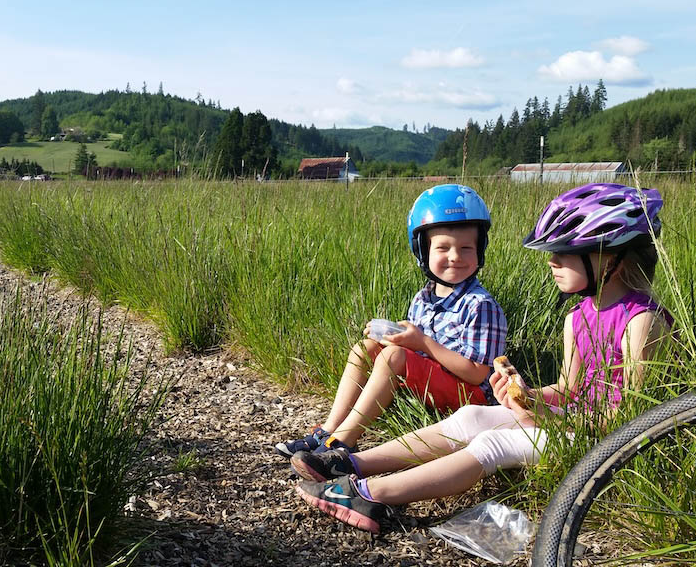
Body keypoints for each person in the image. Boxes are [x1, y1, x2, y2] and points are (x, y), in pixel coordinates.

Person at [290, 183, 671, 534]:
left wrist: (539, 418)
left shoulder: (643, 321)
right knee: (471, 417)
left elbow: (633, 422)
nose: (553, 261)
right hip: (568, 421)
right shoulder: (578, 316)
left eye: (567, 253)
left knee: (493, 445)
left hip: (601, 441)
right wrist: (529, 395)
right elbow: (571, 388)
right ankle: (350, 462)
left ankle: (372, 494)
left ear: (611, 259)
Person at [275, 184, 508, 458]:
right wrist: (394, 337)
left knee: (393, 357)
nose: (455, 256)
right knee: (366, 349)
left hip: (471, 397)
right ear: (423, 251)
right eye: (443, 248)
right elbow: (415, 352)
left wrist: (421, 341)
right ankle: (329, 428)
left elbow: (478, 373)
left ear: (480, 249)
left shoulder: (481, 305)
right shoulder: (424, 298)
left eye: (466, 248)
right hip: (436, 381)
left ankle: (343, 442)